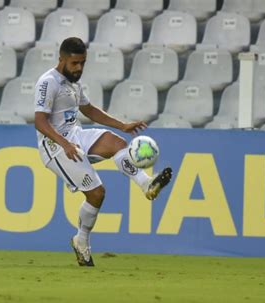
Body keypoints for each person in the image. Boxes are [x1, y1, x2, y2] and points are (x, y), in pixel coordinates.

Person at [34, 37, 172, 267]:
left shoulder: (73, 83)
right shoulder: (48, 82)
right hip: (54, 147)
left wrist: (122, 125)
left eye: (82, 63)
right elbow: (40, 122)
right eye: (75, 63)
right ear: (62, 59)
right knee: (97, 194)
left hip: (75, 136)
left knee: (116, 142)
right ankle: (81, 240)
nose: (79, 68)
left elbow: (89, 110)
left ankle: (146, 184)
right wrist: (65, 144)